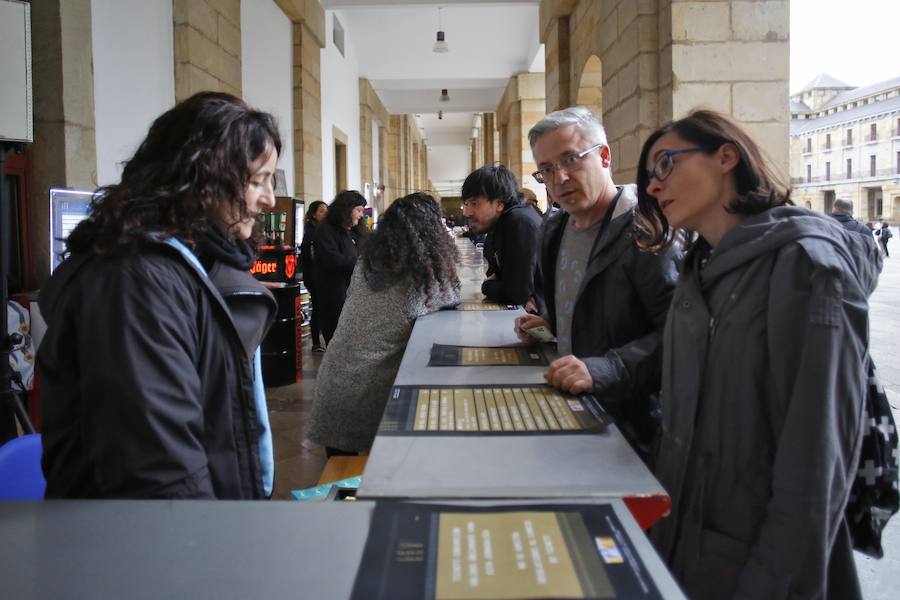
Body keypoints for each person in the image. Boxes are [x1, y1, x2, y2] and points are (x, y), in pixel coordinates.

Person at [635, 110, 880, 600]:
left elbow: (817, 459)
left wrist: (772, 580)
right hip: (687, 545)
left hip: (763, 566)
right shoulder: (697, 271)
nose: (654, 188)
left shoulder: (806, 269)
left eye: (665, 165)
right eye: (647, 180)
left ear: (726, 156)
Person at [38, 92, 283, 499]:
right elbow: (159, 473)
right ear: (201, 178)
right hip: (156, 549)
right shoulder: (137, 279)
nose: (269, 199)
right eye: (256, 181)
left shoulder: (191, 264)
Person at [515, 106, 681, 457]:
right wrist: (553, 325)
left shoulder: (645, 232)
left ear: (604, 156)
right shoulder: (554, 229)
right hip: (571, 407)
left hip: (632, 424)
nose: (559, 178)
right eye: (546, 169)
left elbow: (679, 332)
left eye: (571, 159)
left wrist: (606, 368)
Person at [307, 193, 460, 455]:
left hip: (334, 379)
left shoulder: (368, 260)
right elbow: (450, 297)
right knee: (372, 475)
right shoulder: (419, 271)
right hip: (365, 391)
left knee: (343, 474)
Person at [462, 165, 545, 313]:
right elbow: (494, 272)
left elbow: (517, 293)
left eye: (474, 203)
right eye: (466, 204)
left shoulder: (519, 222)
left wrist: (486, 286)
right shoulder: (500, 224)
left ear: (499, 203)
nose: (467, 212)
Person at [313, 190, 366, 344]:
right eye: (359, 210)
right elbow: (333, 259)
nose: (361, 215)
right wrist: (360, 263)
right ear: (347, 209)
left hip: (353, 295)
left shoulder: (354, 232)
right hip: (335, 295)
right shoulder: (325, 230)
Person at [300, 200, 327, 353]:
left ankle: (318, 340)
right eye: (322, 211)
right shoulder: (312, 232)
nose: (325, 213)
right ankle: (316, 342)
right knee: (317, 308)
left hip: (317, 275)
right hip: (314, 276)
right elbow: (311, 256)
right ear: (314, 214)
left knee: (320, 307)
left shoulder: (319, 230)